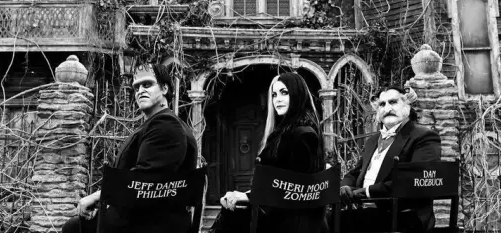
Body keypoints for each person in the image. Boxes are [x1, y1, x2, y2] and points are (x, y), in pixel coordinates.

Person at [61, 63, 198, 233]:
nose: (140, 91)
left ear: (164, 88)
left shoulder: (166, 125)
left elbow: (147, 179)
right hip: (143, 218)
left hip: (152, 223)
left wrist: (101, 196)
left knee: (74, 228)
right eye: (136, 87)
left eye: (147, 84)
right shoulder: (161, 124)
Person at [213, 72, 327, 233]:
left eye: (284, 93)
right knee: (230, 208)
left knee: (230, 215)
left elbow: (295, 189)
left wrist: (249, 197)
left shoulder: (303, 135)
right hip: (281, 215)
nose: (277, 99)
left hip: (293, 223)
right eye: (274, 95)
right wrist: (248, 195)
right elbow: (281, 183)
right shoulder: (287, 132)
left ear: (297, 94)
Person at [339, 85, 441, 233]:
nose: (387, 108)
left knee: (332, 222)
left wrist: (365, 192)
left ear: (407, 106)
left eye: (393, 102)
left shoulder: (424, 137)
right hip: (369, 213)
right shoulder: (373, 140)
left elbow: (414, 181)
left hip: (402, 215)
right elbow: (355, 172)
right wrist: (345, 187)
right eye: (382, 104)